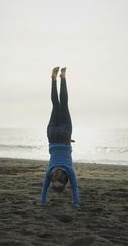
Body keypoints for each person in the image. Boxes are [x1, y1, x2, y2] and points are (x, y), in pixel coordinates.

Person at [40, 67, 80, 208]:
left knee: (63, 104)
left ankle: (62, 78)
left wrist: (76, 204)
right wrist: (43, 201)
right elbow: (44, 190)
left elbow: (75, 188)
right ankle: (53, 80)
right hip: (51, 134)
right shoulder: (50, 172)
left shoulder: (69, 170)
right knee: (55, 104)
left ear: (66, 179)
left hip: (64, 135)